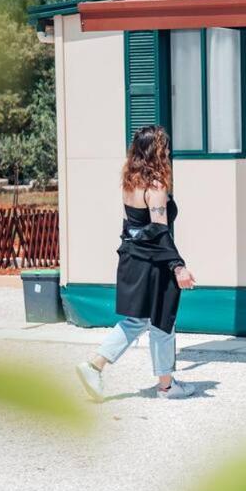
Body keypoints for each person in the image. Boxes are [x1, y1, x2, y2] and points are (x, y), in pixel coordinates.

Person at [76, 125, 197, 401]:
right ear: (156, 151)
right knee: (162, 320)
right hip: (153, 262)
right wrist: (178, 266)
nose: (169, 151)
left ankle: (98, 367)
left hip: (133, 257)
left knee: (139, 320)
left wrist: (130, 250)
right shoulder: (155, 186)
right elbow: (159, 231)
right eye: (165, 146)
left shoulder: (130, 182)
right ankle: (164, 386)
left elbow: (129, 226)